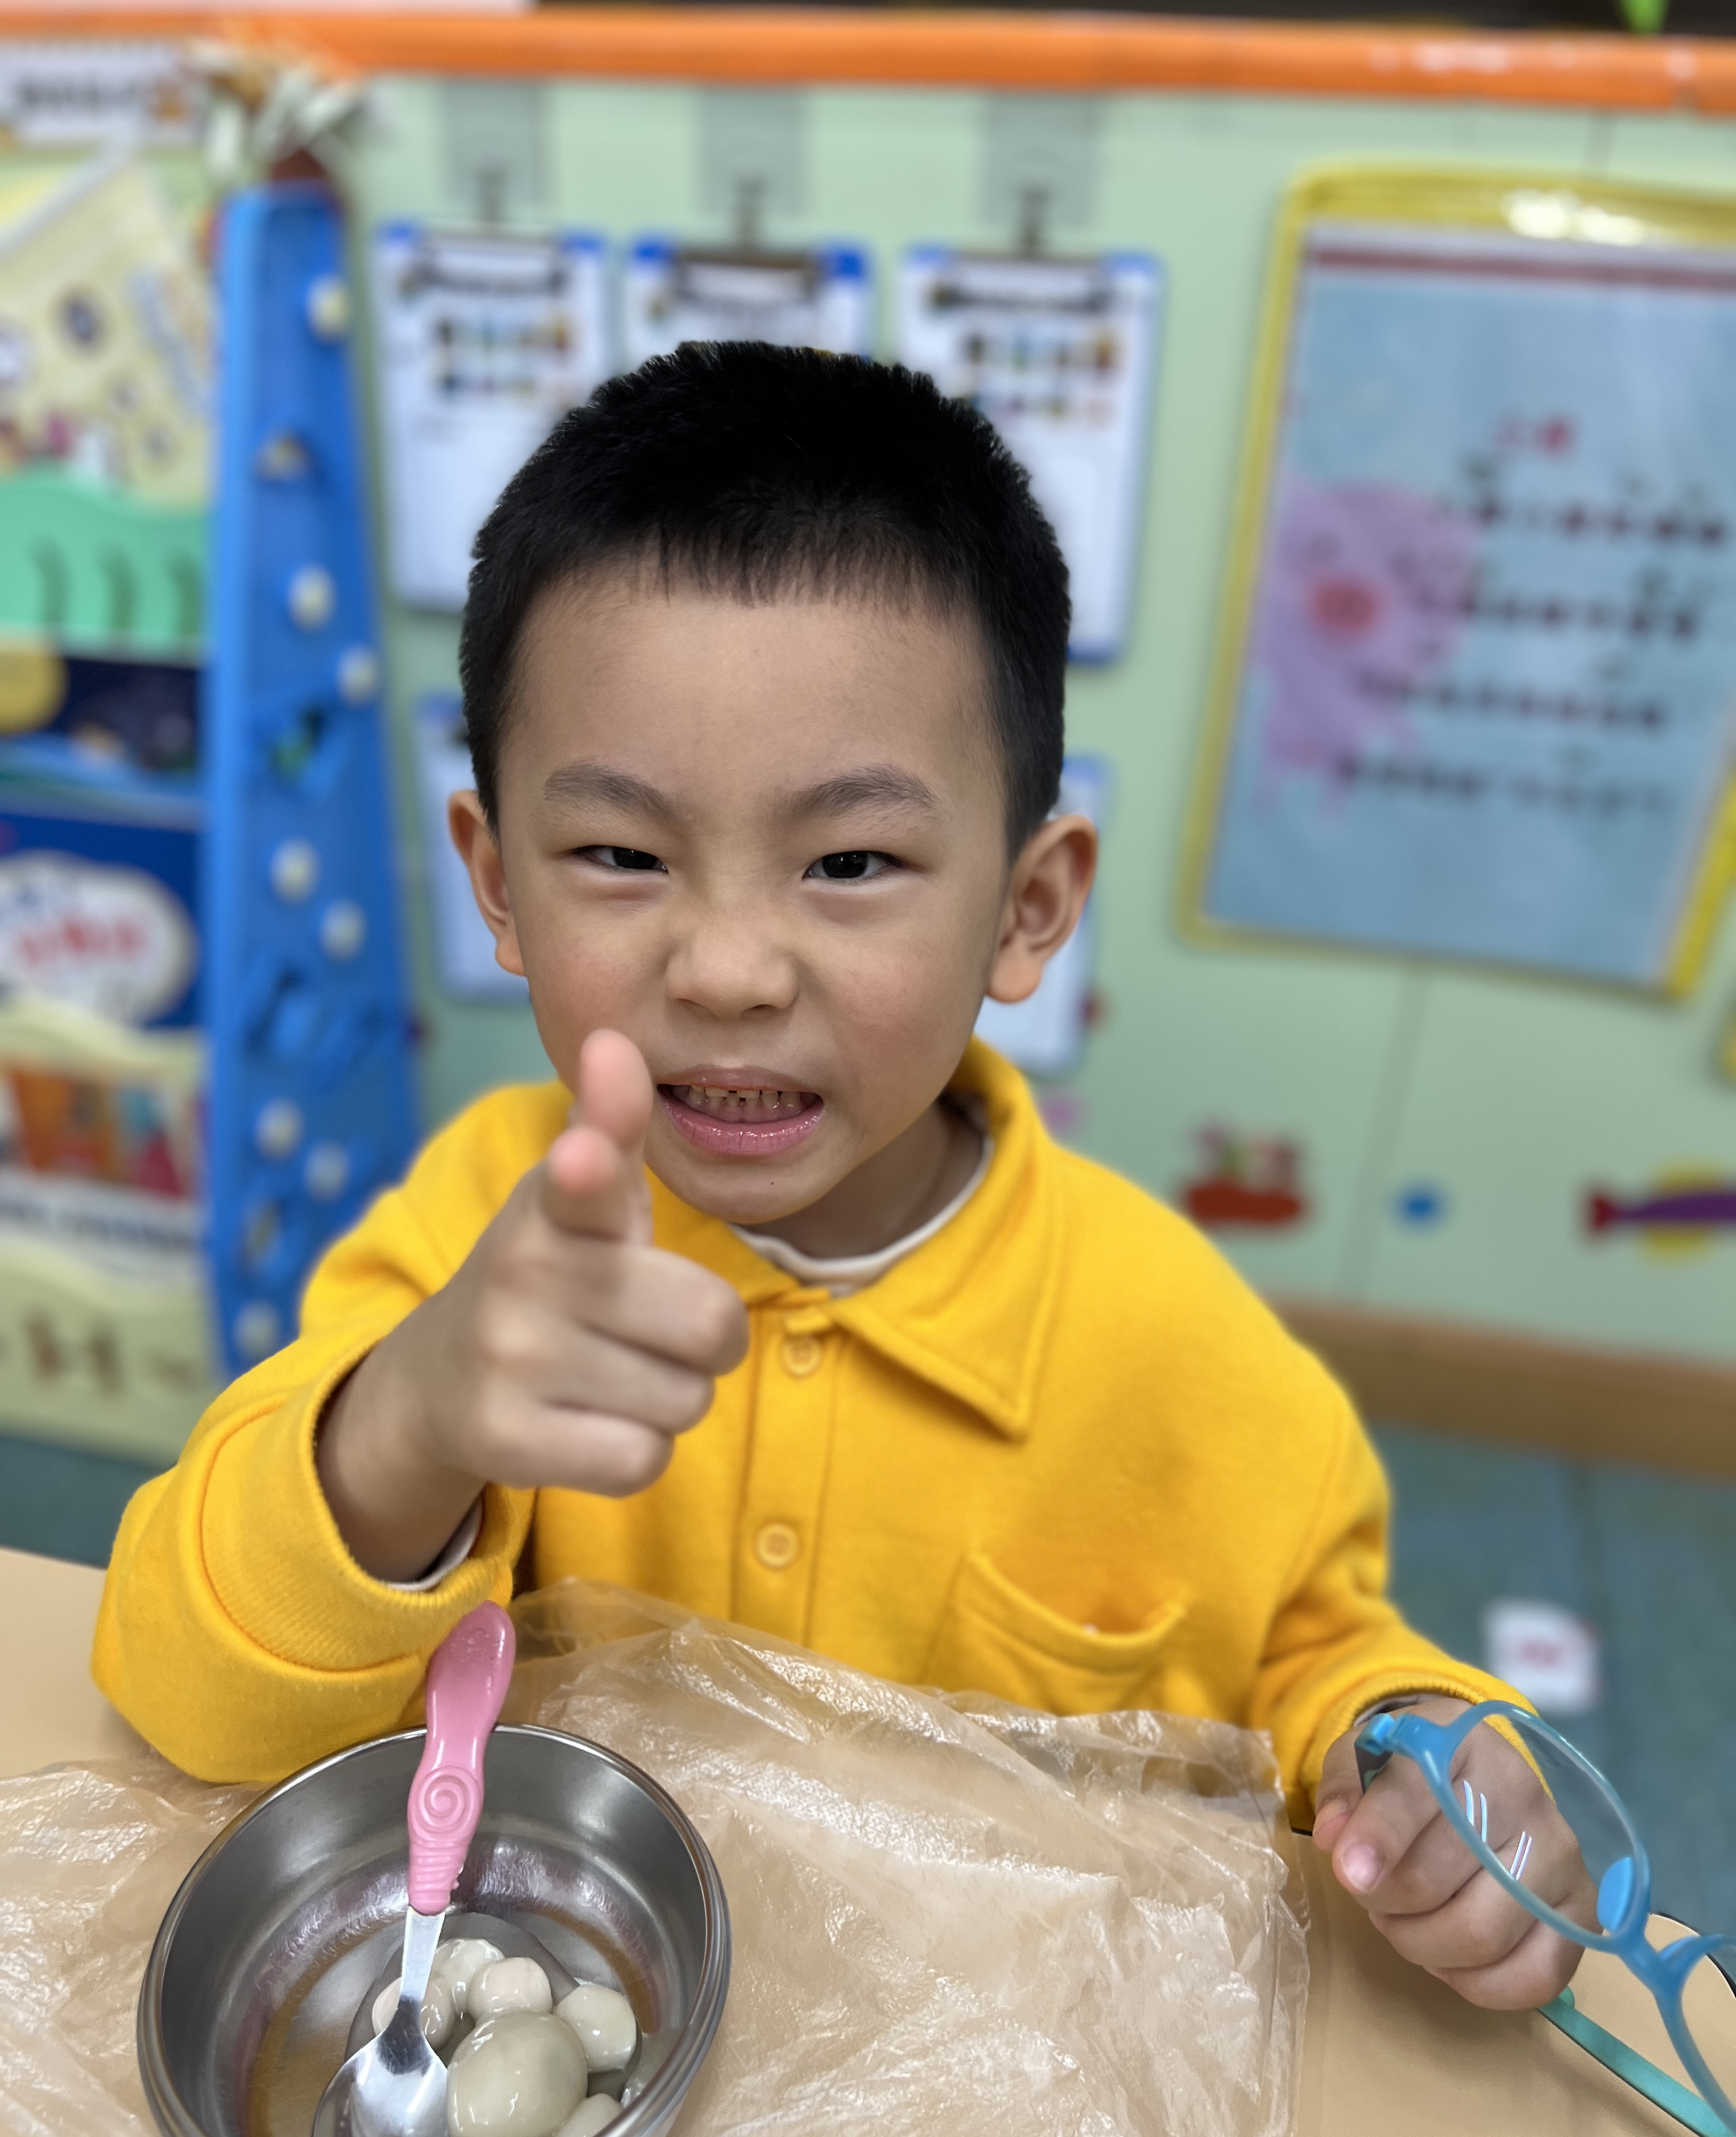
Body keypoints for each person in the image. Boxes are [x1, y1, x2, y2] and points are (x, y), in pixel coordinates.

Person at [95, 344, 1588, 2009]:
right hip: (582, 2010)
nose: (729, 969)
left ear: (1026, 908)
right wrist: (413, 1422)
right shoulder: (476, 1241)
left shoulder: (1184, 1354)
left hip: (1006, 2070)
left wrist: (1421, 1761)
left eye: (852, 861)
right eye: (620, 855)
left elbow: (1324, 1667)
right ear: (497, 883)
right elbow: (188, 1699)